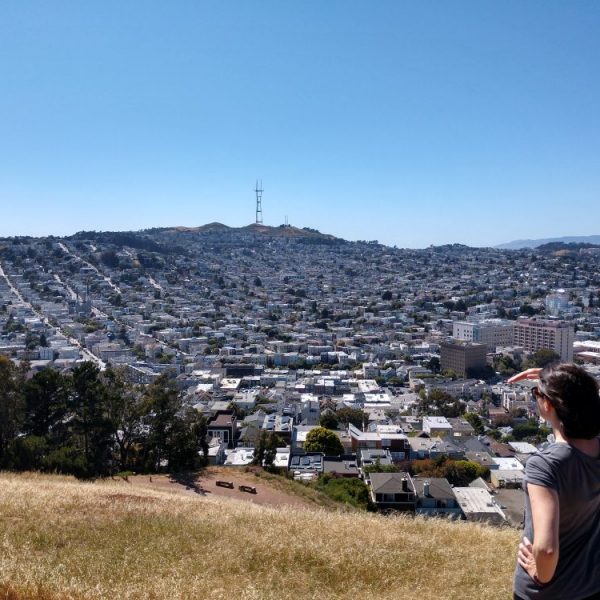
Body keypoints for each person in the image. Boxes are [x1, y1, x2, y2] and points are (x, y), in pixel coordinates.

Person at [508, 363, 600, 600]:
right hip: (591, 585)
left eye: (536, 393)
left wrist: (540, 575)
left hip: (547, 593)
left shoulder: (546, 464)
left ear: (548, 404)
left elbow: (547, 550)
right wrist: (557, 378)